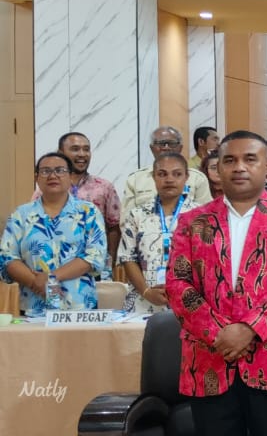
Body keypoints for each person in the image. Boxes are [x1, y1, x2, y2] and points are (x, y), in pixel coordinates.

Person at [166, 130, 267, 436]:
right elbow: (177, 283)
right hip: (209, 358)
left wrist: (249, 329)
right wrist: (219, 333)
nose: (239, 167)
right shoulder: (192, 221)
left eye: (250, 159)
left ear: (266, 166)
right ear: (217, 168)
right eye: (229, 160)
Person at [1, 152, 107, 314]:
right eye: (45, 171)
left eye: (60, 170)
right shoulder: (21, 214)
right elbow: (7, 257)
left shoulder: (88, 212)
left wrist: (50, 278)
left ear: (70, 176)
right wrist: (36, 282)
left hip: (79, 307)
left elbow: (94, 256)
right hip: (33, 307)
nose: (52, 176)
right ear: (37, 178)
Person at [118, 153, 198, 313]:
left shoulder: (201, 215)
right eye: (162, 174)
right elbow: (128, 258)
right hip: (143, 302)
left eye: (177, 174)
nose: (169, 179)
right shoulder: (137, 215)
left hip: (189, 303)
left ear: (186, 177)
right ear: (154, 177)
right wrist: (146, 292)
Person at [32, 132, 122, 275]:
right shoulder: (47, 190)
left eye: (86, 149)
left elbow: (114, 227)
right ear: (61, 153)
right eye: (75, 149)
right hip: (55, 270)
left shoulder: (104, 187)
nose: (82, 154)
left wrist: (109, 263)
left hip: (93, 270)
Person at [123, 126, 213, 213]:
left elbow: (207, 214)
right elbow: (127, 219)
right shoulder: (135, 179)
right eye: (161, 143)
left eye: (172, 143)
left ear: (180, 147)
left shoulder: (197, 178)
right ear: (152, 148)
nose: (166, 147)